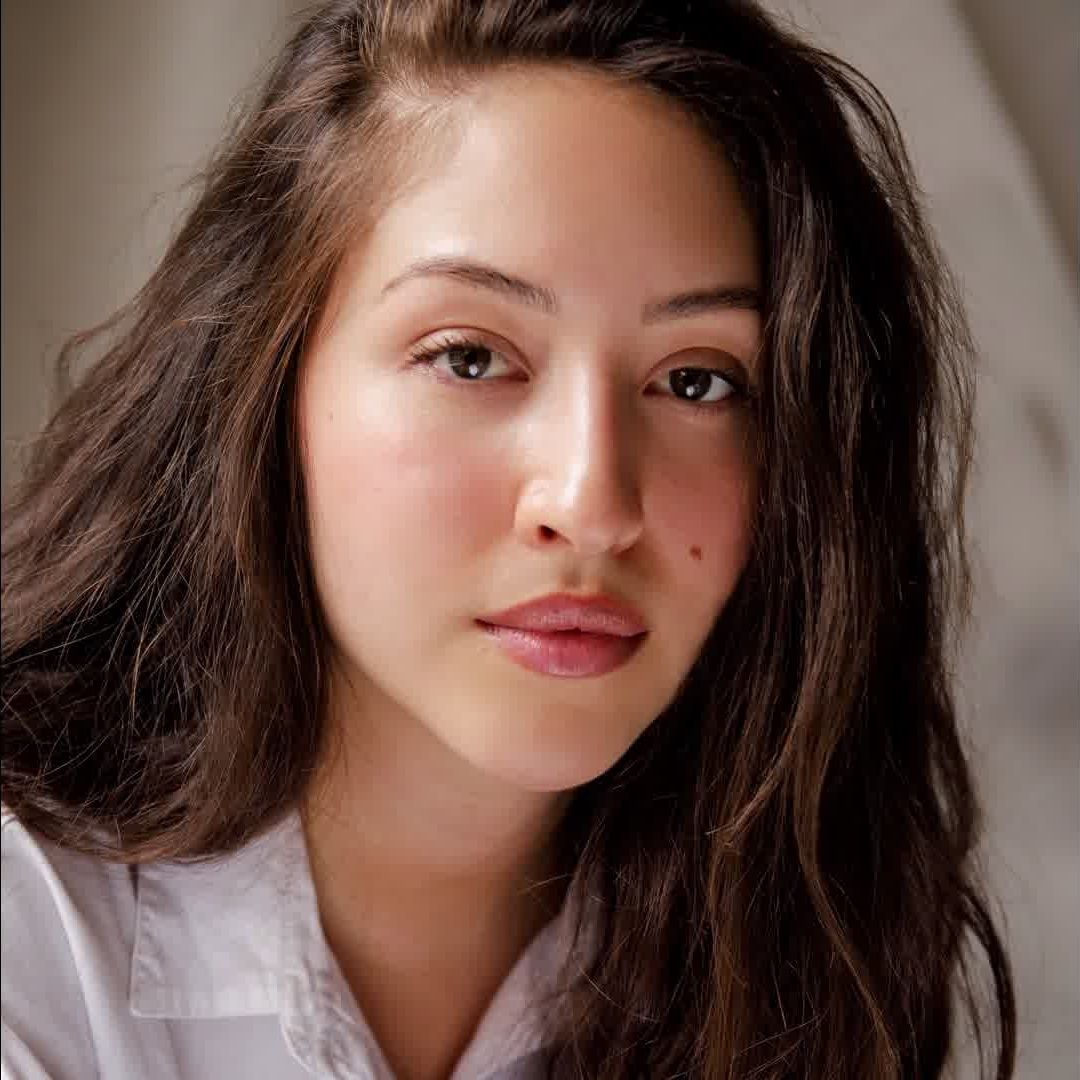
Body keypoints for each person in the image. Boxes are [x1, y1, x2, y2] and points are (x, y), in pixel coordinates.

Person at [0, 1, 1017, 1077]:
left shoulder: (809, 962)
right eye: (472, 357)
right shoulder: (28, 932)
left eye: (697, 380)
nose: (591, 501)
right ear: (262, 384)